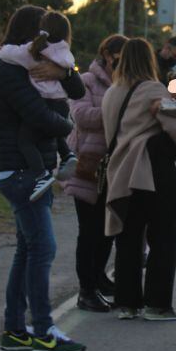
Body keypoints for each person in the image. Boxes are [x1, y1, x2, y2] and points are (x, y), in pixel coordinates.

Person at [0, 5, 87, 351]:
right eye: (42, 32)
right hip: (20, 172)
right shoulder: (9, 70)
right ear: (31, 32)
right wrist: (70, 128)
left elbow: (76, 90)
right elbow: (38, 115)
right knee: (43, 248)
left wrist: (63, 69)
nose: (48, 39)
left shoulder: (35, 66)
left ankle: (15, 329)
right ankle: (43, 331)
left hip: (35, 171)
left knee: (28, 249)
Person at [102, 38, 176, 321]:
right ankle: (157, 304)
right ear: (149, 59)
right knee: (163, 236)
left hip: (120, 173)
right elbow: (175, 130)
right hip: (152, 171)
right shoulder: (153, 89)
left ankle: (126, 303)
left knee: (128, 238)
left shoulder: (112, 91)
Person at [62, 34, 125, 313]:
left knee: (107, 230)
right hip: (88, 165)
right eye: (118, 57)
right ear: (107, 54)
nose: (122, 63)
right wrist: (117, 111)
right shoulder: (87, 81)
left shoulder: (126, 83)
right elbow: (82, 116)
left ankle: (98, 278)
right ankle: (86, 290)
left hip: (116, 165)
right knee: (89, 231)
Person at [0, 11, 79, 201]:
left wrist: (5, 48)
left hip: (45, 101)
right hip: (62, 104)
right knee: (55, 132)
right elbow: (73, 73)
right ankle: (67, 155)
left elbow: (8, 53)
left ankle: (41, 176)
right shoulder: (64, 51)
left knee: (26, 141)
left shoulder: (32, 52)